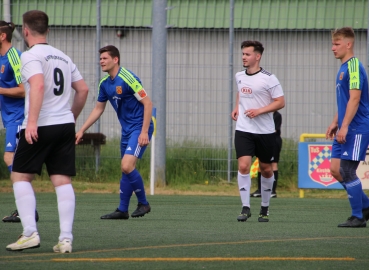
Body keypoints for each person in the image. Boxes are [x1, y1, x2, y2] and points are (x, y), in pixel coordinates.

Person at [6, 10, 89, 252]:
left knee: (20, 176)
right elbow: (82, 90)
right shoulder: (63, 57)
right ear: (48, 30)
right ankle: (65, 239)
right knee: (62, 181)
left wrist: (31, 122)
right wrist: (70, 118)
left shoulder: (30, 56)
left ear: (26, 31)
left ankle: (30, 233)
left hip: (41, 125)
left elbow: (38, 84)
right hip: (64, 125)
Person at [75, 45, 153, 220]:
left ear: (115, 59)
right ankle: (122, 210)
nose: (101, 61)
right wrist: (81, 129)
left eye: (105, 58)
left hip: (140, 128)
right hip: (127, 130)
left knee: (127, 165)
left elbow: (148, 104)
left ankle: (143, 203)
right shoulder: (104, 84)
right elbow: (98, 109)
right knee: (126, 169)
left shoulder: (128, 78)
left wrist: (144, 132)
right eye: (100, 58)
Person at [231, 40, 285, 222]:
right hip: (244, 129)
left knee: (266, 169)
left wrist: (259, 111)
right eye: (243, 54)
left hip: (265, 132)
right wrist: (237, 107)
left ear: (257, 56)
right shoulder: (239, 75)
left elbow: (280, 102)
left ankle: (265, 207)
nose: (244, 57)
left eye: (247, 54)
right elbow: (241, 92)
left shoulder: (269, 78)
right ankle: (245, 207)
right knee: (244, 166)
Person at [326, 27, 369, 227]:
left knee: (348, 171)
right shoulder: (343, 68)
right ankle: (366, 206)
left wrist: (344, 127)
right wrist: (336, 122)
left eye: (337, 43)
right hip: (345, 126)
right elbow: (345, 102)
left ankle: (358, 217)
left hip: (356, 127)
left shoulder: (353, 66)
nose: (333, 47)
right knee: (335, 170)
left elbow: (355, 98)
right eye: (333, 43)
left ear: (348, 44)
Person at [0, 21, 40, 224]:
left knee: (10, 158)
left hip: (18, 117)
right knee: (15, 161)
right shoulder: (1, 58)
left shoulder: (14, 57)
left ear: (2, 36)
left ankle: (28, 208)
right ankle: (27, 208)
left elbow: (23, 90)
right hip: (9, 118)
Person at [251, 110, 282, 198]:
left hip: (273, 141)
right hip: (262, 140)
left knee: (273, 164)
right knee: (261, 163)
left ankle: (272, 190)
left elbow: (274, 130)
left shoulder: (276, 115)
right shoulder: (262, 114)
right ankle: (260, 190)